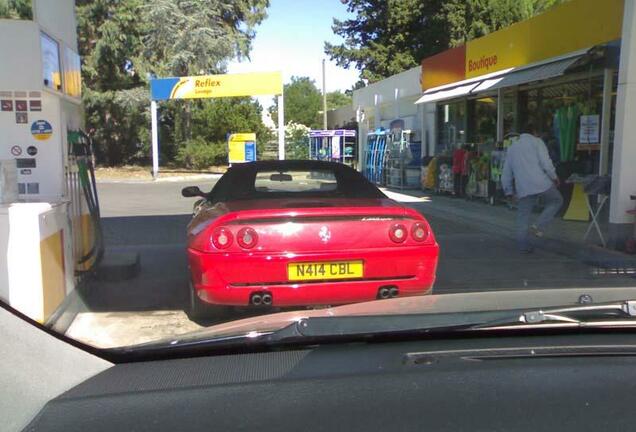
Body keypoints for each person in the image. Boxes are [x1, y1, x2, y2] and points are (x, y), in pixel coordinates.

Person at [502, 123, 563, 253]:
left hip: (523, 187)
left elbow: (506, 172)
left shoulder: (512, 147)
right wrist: (554, 177)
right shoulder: (537, 142)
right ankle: (538, 226)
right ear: (534, 132)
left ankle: (523, 246)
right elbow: (546, 163)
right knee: (556, 201)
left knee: (523, 216)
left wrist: (508, 191)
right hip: (541, 182)